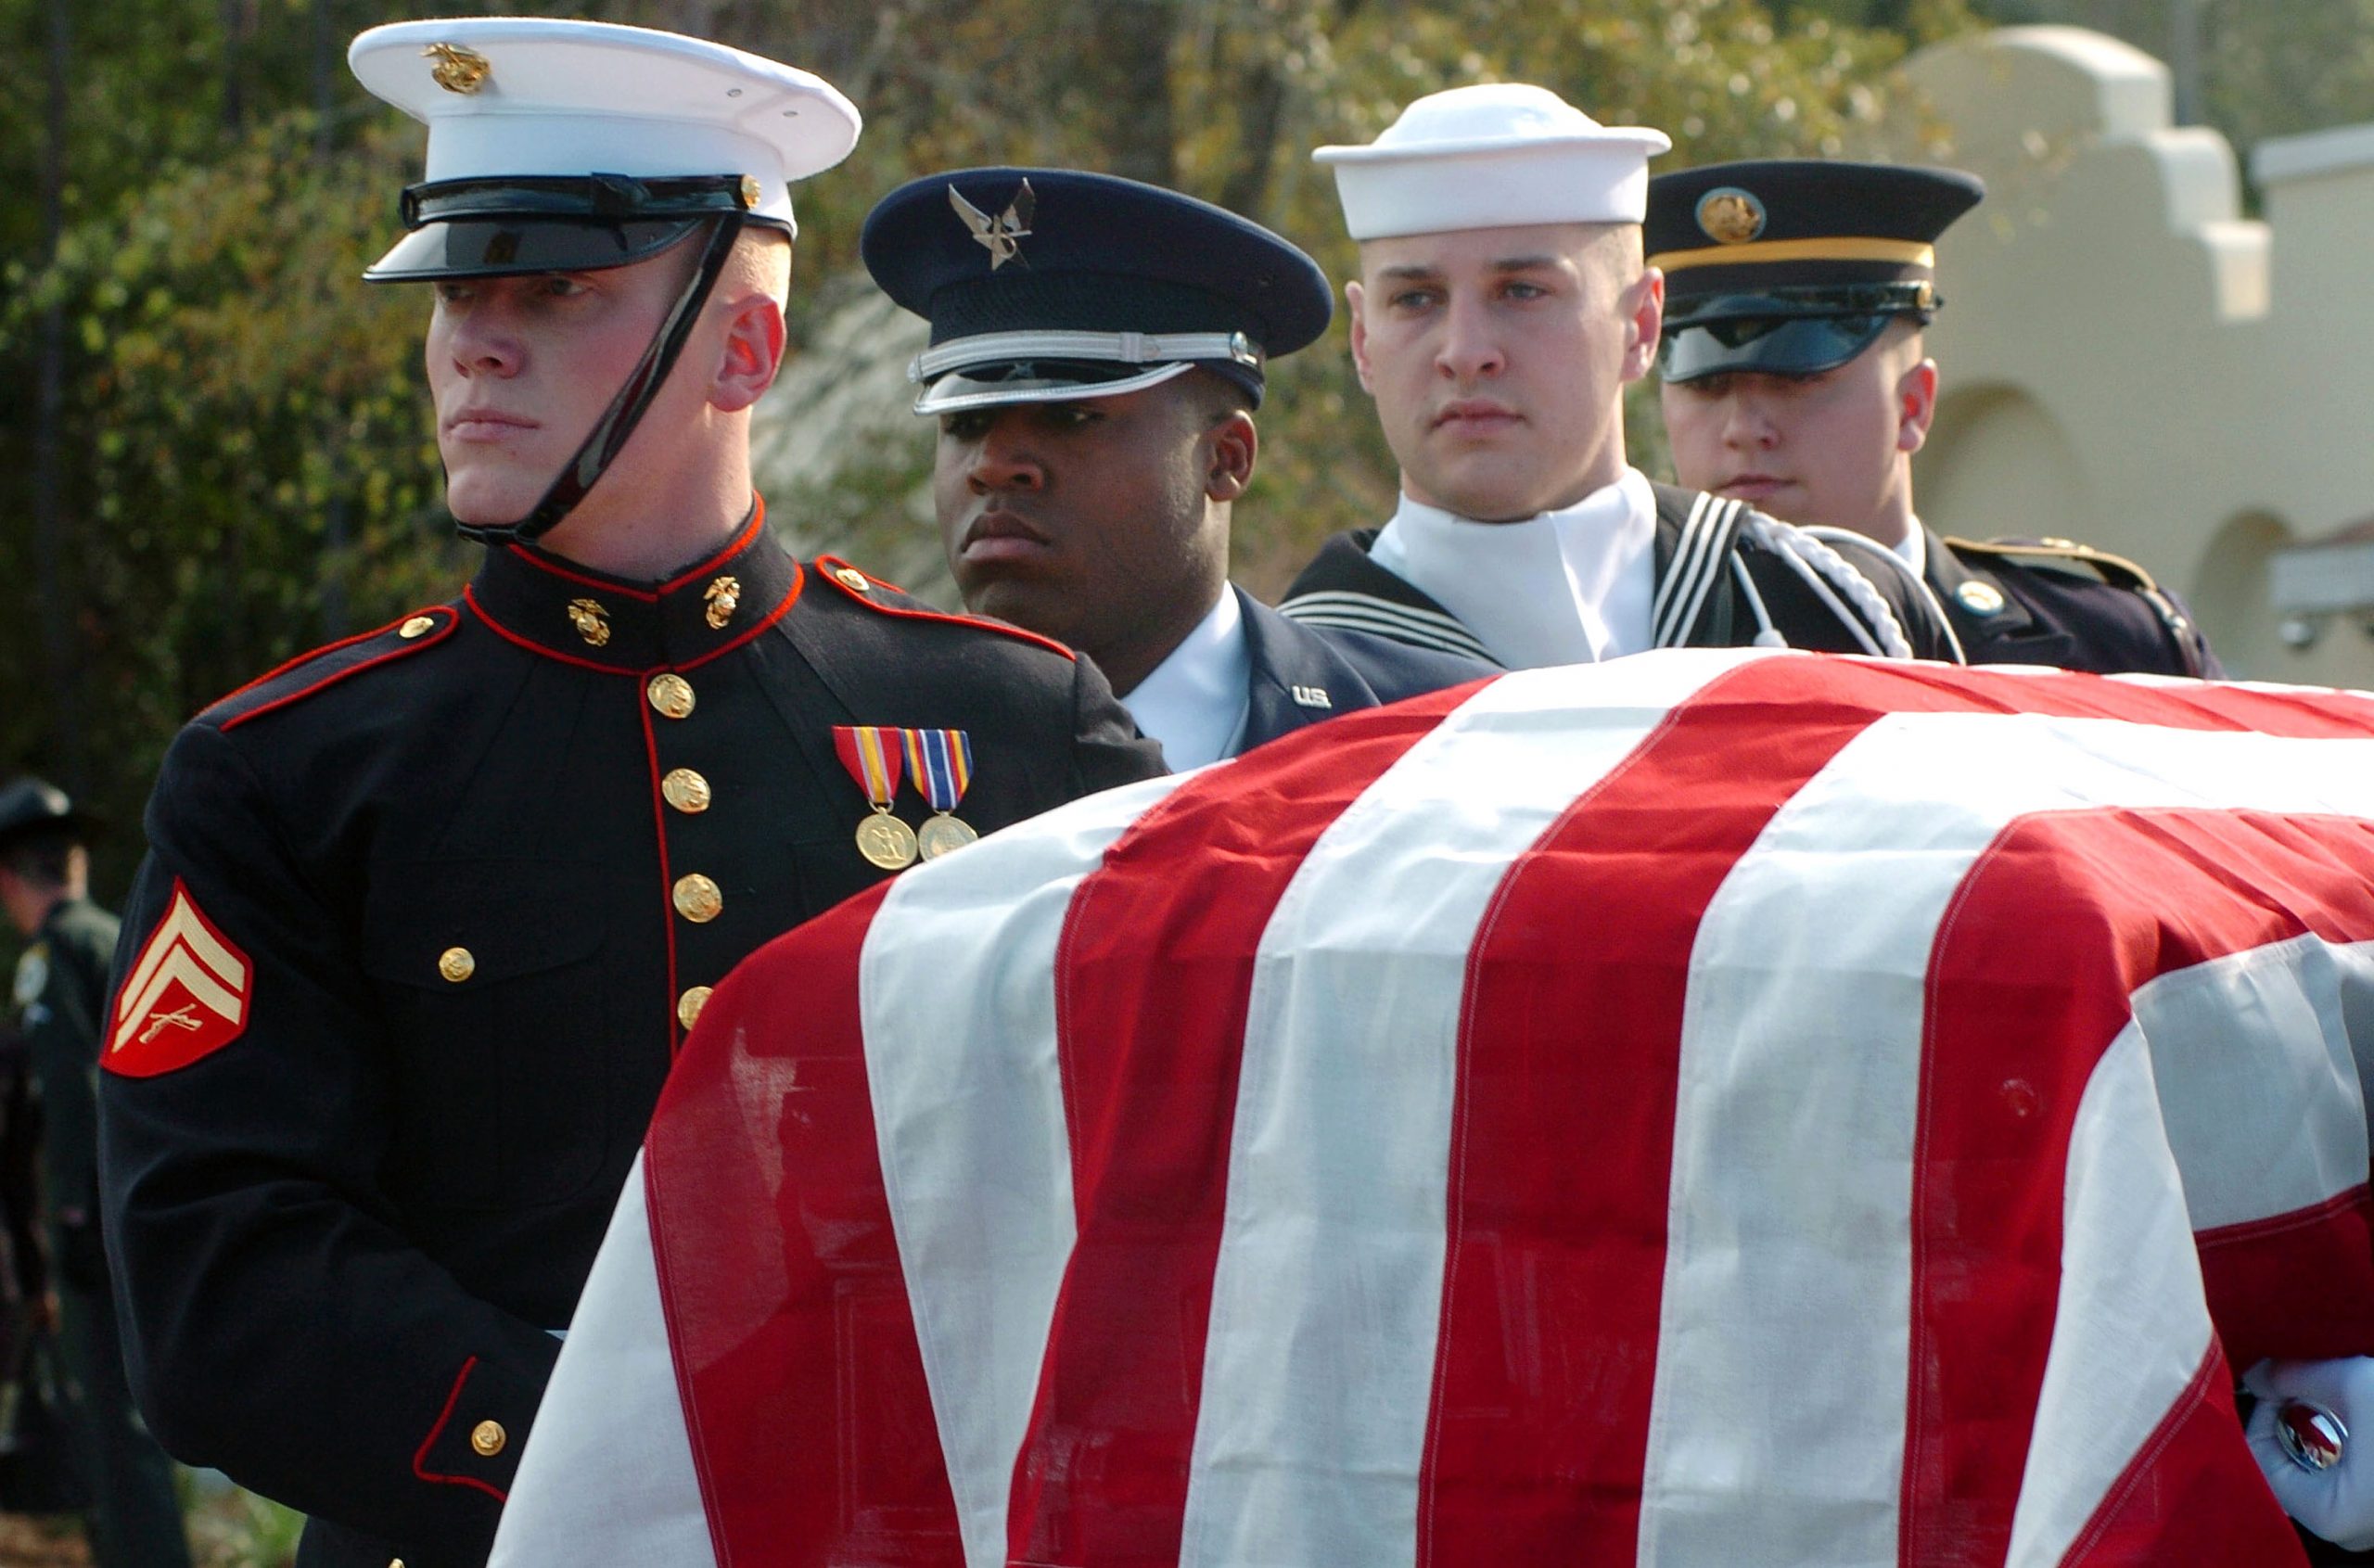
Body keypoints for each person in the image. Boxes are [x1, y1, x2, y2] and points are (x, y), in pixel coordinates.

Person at [96, 19, 1161, 1568]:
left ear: (742, 348)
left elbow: (1166, 1189)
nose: (475, 342)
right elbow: (214, 1283)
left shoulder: (1021, 732)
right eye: (459, 293)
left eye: (556, 289)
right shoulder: (292, 774)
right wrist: (624, 1466)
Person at [1277, 83, 1959, 669]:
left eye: (1521, 291)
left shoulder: (1822, 608)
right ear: (1364, 342)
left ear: (1641, 325)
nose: (1464, 350)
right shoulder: (1290, 678)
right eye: (1416, 299)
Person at [862, 167, 1494, 768]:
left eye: (1072, 417)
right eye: (965, 424)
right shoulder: (853, 740)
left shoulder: (1435, 733)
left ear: (1225, 458)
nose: (995, 465)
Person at [1651, 158, 2217, 675]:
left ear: (1913, 406)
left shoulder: (2115, 650)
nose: (1744, 430)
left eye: (1795, 381)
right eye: (1706, 385)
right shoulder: (1613, 653)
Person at [0, 779, 192, 1567]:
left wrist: (73, 1221)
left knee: (115, 1428)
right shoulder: (123, 933)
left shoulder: (54, 957)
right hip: (154, 1215)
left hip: (101, 1230)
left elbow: (75, 1097)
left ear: (11, 877)